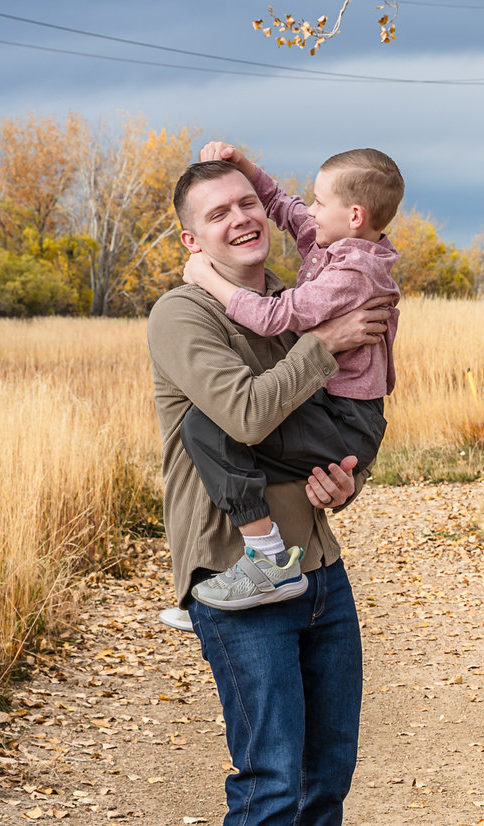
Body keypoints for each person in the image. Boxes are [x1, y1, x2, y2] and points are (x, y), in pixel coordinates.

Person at [148, 158, 390, 826]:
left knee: (325, 780)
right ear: (193, 242)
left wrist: (348, 481)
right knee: (272, 779)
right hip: (237, 574)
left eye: (246, 201)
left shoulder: (302, 302)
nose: (241, 217)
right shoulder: (183, 312)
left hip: (319, 570)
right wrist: (320, 346)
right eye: (217, 213)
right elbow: (246, 416)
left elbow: (342, 426)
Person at [178, 140, 403, 611]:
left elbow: (272, 317)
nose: (311, 210)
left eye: (321, 202)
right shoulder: (338, 246)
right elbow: (284, 207)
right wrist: (244, 166)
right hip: (339, 414)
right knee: (239, 449)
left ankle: (266, 564)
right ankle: (207, 599)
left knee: (205, 427)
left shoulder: (351, 276)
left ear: (355, 215)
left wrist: (206, 277)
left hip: (345, 418)